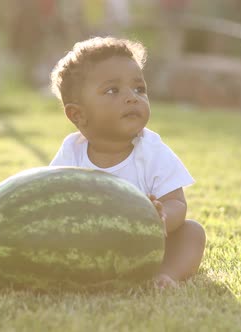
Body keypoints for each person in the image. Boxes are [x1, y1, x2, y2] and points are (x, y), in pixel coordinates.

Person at [48, 36, 206, 289]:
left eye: (139, 89)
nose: (132, 97)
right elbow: (53, 201)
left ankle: (166, 275)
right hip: (91, 247)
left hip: (146, 248)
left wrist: (162, 218)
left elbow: (176, 202)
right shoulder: (71, 153)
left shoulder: (152, 150)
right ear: (78, 114)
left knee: (192, 233)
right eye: (113, 90)